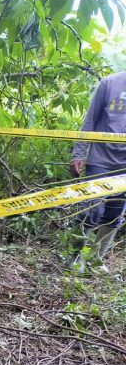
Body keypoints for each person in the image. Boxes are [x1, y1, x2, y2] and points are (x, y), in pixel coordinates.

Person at [68, 71, 126, 271]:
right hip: (100, 159)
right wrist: (79, 154)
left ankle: (95, 259)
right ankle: (75, 258)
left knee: (114, 214)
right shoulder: (110, 83)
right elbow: (90, 120)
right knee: (92, 208)